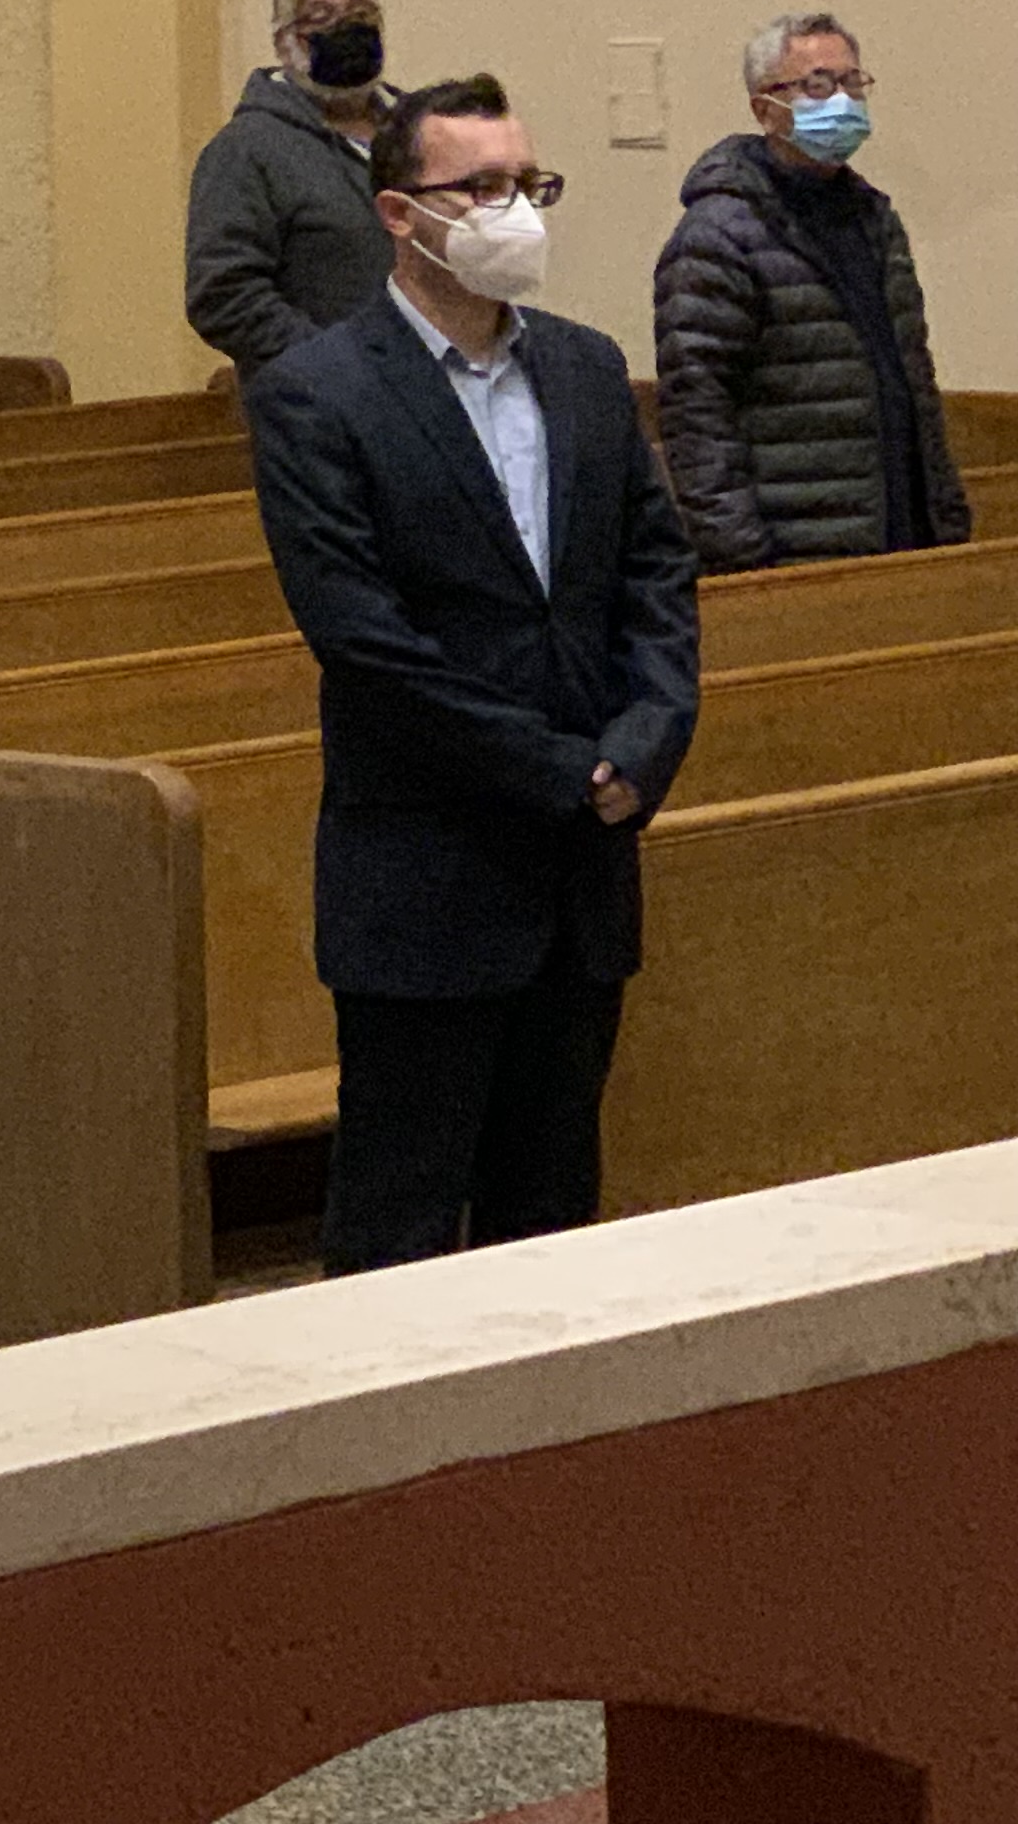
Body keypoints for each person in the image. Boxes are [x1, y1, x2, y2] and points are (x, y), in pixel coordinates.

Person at [243, 75, 700, 1275]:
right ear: (400, 214)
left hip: (580, 876)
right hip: (428, 870)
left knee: (549, 1221)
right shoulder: (318, 393)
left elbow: (656, 574)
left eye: (528, 184)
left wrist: (644, 742)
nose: (516, 211)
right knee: (400, 1222)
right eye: (483, 187)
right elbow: (364, 640)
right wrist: (560, 770)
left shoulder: (586, 370)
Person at [653, 13, 972, 574]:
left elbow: (913, 383)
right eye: (818, 84)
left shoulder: (874, 218)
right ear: (764, 109)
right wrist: (744, 560)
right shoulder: (718, 235)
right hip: (794, 554)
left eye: (852, 82)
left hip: (902, 535)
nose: (841, 100)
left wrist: (945, 520)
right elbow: (697, 416)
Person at [187, 0, 396, 383]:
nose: (347, 27)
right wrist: (334, 364)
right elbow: (223, 295)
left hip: (428, 389)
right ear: (285, 43)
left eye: (361, 13)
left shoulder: (418, 133)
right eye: (322, 15)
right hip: (318, 400)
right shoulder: (246, 150)